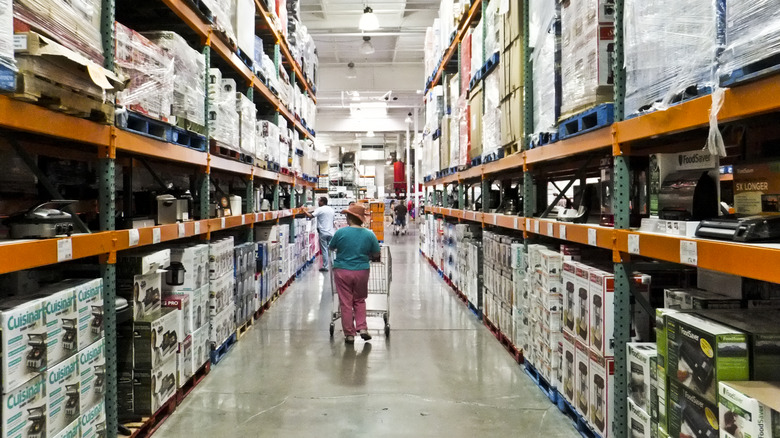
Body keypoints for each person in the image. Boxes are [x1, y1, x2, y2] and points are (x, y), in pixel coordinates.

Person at [329, 203, 381, 344]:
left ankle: (349, 334)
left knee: (346, 303)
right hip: (361, 271)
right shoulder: (369, 234)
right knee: (359, 300)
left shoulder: (340, 232)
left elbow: (331, 247)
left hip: (342, 271)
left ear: (349, 218)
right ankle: (362, 328)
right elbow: (376, 253)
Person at [304, 197, 335, 272]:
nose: (318, 202)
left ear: (322, 202)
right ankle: (334, 265)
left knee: (324, 250)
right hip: (331, 232)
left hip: (323, 232)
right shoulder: (331, 210)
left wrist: (304, 210)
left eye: (319, 201)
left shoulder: (320, 209)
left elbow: (310, 216)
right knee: (331, 249)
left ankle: (325, 266)